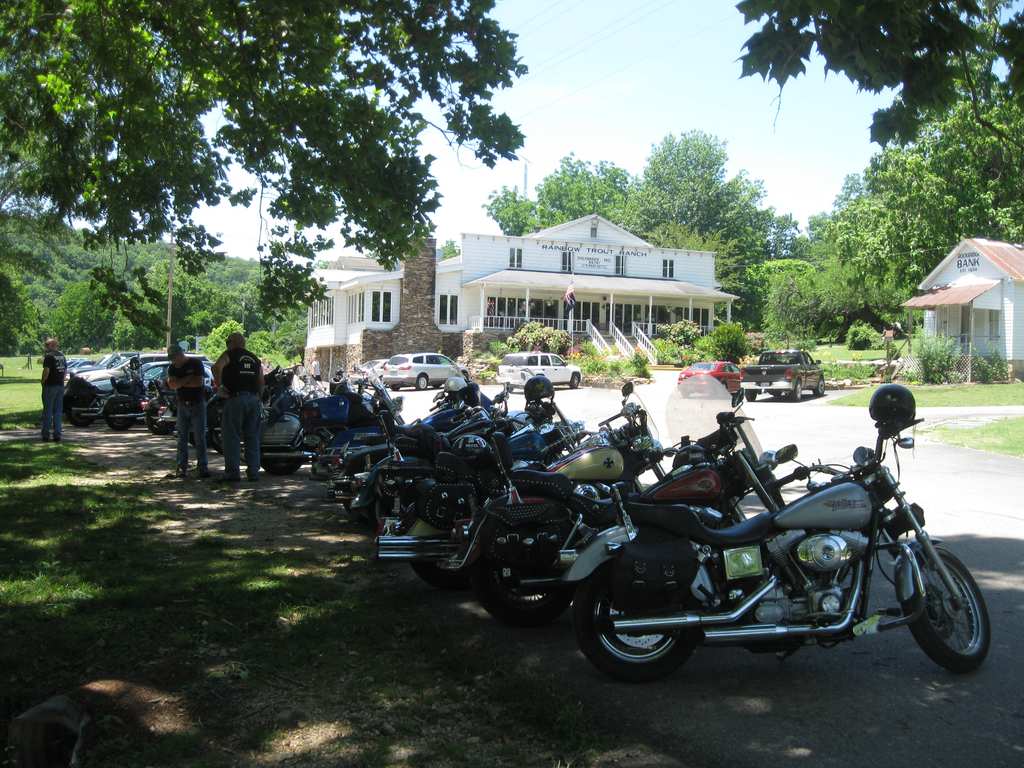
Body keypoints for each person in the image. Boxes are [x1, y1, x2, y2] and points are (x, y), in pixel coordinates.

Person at [212, 332, 264, 482]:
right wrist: (258, 397)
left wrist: (219, 387)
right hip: (254, 400)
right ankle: (253, 472)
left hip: (235, 399)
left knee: (231, 437)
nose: (227, 344)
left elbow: (216, 367)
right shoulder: (254, 358)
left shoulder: (229, 354)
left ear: (232, 343)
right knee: (252, 437)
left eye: (228, 342)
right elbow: (261, 381)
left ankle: (233, 473)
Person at [167, 347, 209, 479]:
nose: (174, 361)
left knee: (200, 437)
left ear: (180, 355)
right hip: (182, 404)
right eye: (171, 359)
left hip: (197, 404)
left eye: (174, 358)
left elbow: (198, 383)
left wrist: (180, 382)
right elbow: (172, 385)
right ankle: (181, 468)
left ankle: (202, 468)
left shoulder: (195, 363)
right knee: (181, 438)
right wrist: (187, 379)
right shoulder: (172, 368)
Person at [39, 338, 66, 442]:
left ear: (51, 346)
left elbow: (46, 371)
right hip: (60, 386)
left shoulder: (49, 356)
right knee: (58, 411)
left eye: (47, 345)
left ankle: (46, 435)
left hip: (50, 386)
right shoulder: (62, 356)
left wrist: (42, 381)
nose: (45, 347)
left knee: (48, 411)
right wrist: (61, 381)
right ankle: (57, 435)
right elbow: (65, 371)